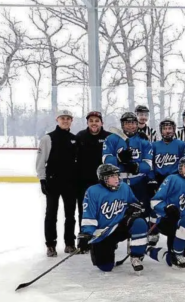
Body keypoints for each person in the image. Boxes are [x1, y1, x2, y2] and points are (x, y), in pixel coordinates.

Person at [77, 164, 148, 274]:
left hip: (120, 226)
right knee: (106, 267)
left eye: (117, 175)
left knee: (139, 223)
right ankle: (105, 248)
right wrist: (86, 234)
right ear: (104, 178)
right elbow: (89, 215)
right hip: (103, 233)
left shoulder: (124, 187)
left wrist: (135, 208)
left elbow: (134, 203)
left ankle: (136, 257)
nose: (117, 179)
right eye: (112, 176)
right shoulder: (93, 191)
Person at [147, 156, 185, 269]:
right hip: (168, 220)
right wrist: (166, 208)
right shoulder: (172, 179)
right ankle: (174, 254)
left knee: (173, 262)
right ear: (180, 168)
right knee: (175, 261)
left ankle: (151, 251)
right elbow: (155, 201)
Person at [36, 109, 78, 257]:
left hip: (70, 183)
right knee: (51, 214)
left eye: (68, 118)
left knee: (70, 215)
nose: (65, 120)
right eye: (62, 118)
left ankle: (69, 243)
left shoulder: (74, 139)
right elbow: (41, 161)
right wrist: (42, 179)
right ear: (57, 120)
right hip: (53, 182)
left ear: (71, 120)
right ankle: (51, 245)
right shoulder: (48, 138)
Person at [102, 112, 153, 219]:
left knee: (140, 214)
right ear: (122, 124)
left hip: (138, 183)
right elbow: (105, 160)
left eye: (133, 123)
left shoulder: (143, 140)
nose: (130, 126)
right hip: (117, 183)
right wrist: (119, 159)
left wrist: (136, 167)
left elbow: (148, 164)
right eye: (127, 123)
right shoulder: (111, 139)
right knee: (118, 214)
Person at [75, 111, 111, 227]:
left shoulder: (109, 137)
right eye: (91, 121)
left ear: (102, 123)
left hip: (104, 181)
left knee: (104, 209)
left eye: (96, 121)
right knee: (84, 210)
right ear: (87, 123)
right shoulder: (80, 136)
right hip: (83, 182)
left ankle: (104, 239)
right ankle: (85, 238)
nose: (94, 123)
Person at [150, 119, 185, 189]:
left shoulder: (181, 145)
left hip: (175, 178)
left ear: (174, 130)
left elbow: (184, 162)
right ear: (161, 131)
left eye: (170, 128)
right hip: (159, 179)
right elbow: (151, 164)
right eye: (164, 129)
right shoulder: (154, 145)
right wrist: (152, 178)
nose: (167, 131)